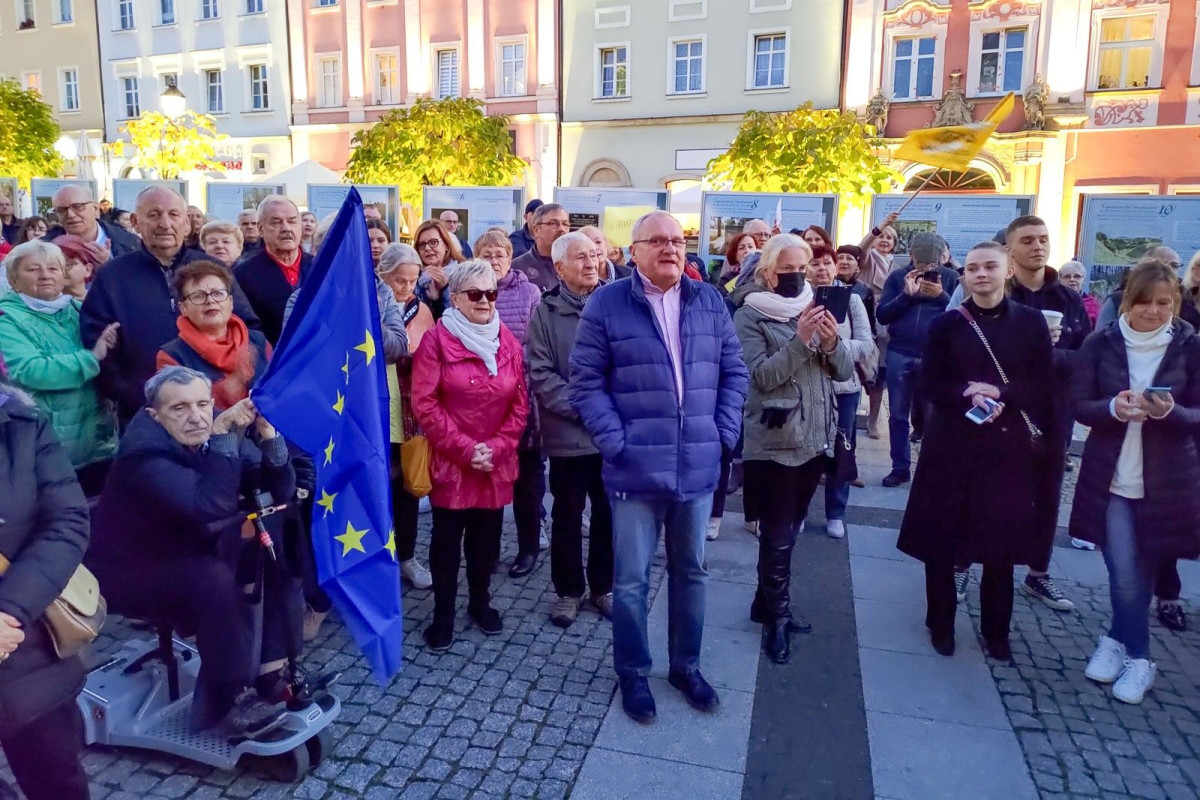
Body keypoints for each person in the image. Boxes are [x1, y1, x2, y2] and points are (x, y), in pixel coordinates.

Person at [571, 211, 749, 723]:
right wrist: (615, 441)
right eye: (658, 240)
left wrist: (722, 433)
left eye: (677, 240)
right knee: (630, 581)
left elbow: (735, 372)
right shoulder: (607, 303)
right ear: (634, 252)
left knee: (692, 572)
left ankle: (685, 667)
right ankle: (632, 672)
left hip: (697, 465)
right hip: (634, 468)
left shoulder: (708, 300)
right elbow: (585, 380)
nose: (671, 248)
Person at [88, 368, 297, 736]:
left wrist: (269, 436)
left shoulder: (211, 429)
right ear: (154, 415)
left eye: (203, 404)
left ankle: (272, 671)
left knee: (269, 548)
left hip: (189, 549)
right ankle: (236, 696)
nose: (197, 416)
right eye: (179, 408)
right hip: (128, 570)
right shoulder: (142, 455)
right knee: (210, 578)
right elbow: (209, 505)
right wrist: (222, 438)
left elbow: (277, 492)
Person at [896, 241, 1055, 661]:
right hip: (952, 444)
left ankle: (996, 631)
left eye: (990, 267)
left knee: (1000, 545)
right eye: (972, 268)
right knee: (941, 541)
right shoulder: (946, 324)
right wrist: (967, 393)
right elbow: (930, 383)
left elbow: (1043, 383)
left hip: (1006, 449)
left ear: (1008, 271)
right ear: (963, 275)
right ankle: (940, 622)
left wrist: (1001, 393)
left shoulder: (1031, 322)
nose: (981, 274)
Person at [1072, 259, 1200, 704]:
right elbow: (1079, 404)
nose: (1153, 311)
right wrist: (1112, 408)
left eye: (1163, 303)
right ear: (1127, 301)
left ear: (1176, 302)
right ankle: (1141, 658)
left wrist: (1172, 413)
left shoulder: (1191, 347)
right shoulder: (1100, 342)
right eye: (1144, 302)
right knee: (1124, 572)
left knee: (1142, 571)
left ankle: (1114, 639)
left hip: (1167, 481)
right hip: (1111, 476)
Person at [733, 234, 851, 662]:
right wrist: (801, 341)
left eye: (803, 268)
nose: (798, 276)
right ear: (768, 272)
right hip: (776, 440)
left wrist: (832, 343)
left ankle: (763, 603)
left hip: (816, 436)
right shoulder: (749, 314)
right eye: (788, 270)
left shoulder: (815, 306)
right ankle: (777, 619)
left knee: (792, 528)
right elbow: (762, 377)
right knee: (778, 533)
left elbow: (843, 372)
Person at [412, 260, 529, 652]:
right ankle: (442, 614)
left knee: (486, 541)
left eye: (491, 293)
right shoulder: (436, 341)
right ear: (456, 298)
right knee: (446, 542)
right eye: (475, 294)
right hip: (452, 460)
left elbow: (520, 405)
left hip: (494, 461)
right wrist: (466, 449)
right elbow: (425, 404)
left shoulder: (507, 342)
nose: (485, 301)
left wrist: (495, 448)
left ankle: (480, 602)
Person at [80, 186, 261, 425]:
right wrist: (127, 392)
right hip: (143, 411)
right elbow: (96, 340)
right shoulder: (113, 276)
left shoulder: (212, 269)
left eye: (174, 215)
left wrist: (232, 383)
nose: (165, 224)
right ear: (135, 222)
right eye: (154, 215)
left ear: (186, 223)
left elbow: (247, 328)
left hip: (215, 409)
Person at [0, 378, 92, 800]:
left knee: (58, 781)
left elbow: (67, 521)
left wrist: (9, 609)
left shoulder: (21, 422)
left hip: (26, 645)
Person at [528, 232, 614, 627]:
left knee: (608, 513)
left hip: (610, 433)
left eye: (594, 255)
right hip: (568, 434)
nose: (591, 262)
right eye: (580, 257)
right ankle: (568, 591)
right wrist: (585, 407)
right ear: (559, 268)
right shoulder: (545, 313)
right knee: (567, 514)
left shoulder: (617, 304)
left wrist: (608, 410)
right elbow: (541, 373)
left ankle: (603, 587)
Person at [0, 240, 118, 494]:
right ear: (13, 279)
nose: (45, 275)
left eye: (53, 268)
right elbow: (30, 370)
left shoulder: (77, 310)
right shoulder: (7, 319)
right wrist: (91, 358)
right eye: (33, 269)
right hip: (48, 446)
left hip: (95, 440)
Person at [475, 228, 546, 577]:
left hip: (522, 397)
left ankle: (528, 548)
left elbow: (537, 344)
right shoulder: (468, 291)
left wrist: (508, 368)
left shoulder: (529, 291)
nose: (494, 261)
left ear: (510, 257)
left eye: (500, 254)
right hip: (481, 403)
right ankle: (486, 551)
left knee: (527, 480)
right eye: (486, 255)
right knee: (488, 479)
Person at [875, 232, 959, 486]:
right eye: (921, 263)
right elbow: (882, 315)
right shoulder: (898, 277)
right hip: (900, 352)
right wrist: (905, 296)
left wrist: (942, 296)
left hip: (936, 356)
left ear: (941, 259)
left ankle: (932, 470)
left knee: (934, 417)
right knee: (898, 415)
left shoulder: (951, 278)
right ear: (911, 256)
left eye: (931, 264)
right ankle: (900, 467)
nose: (925, 269)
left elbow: (963, 317)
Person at [804, 243, 875, 537]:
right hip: (807, 385)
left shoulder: (852, 300)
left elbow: (866, 343)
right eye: (815, 263)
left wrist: (833, 346)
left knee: (842, 448)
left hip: (844, 386)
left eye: (827, 263)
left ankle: (835, 512)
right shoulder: (799, 297)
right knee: (805, 450)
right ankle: (799, 510)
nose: (822, 269)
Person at [376, 243, 434, 590]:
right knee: (377, 485)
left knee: (408, 485)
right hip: (375, 410)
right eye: (400, 280)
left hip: (410, 410)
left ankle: (407, 556)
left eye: (413, 280)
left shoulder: (421, 310)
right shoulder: (371, 305)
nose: (407, 287)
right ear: (382, 275)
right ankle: (376, 558)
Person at [155, 261, 270, 410]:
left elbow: (278, 388)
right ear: (183, 308)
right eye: (198, 296)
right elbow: (179, 412)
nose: (210, 300)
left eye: (218, 293)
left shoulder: (258, 341)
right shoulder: (172, 356)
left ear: (231, 302)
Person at [233, 196, 312, 346]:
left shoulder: (322, 268)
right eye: (276, 222)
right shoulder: (242, 275)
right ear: (260, 229)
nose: (286, 228)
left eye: (292, 221)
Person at [1097, 246, 1185, 329]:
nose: (1168, 269)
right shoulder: (1116, 300)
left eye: (1174, 266)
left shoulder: (1186, 301)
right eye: (1143, 302)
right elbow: (1103, 334)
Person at [45, 185, 140, 259]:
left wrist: (109, 268)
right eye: (62, 210)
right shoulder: (45, 247)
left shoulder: (131, 243)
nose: (70, 215)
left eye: (77, 207)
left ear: (95, 208)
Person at [413, 219, 467, 319]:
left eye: (433, 242)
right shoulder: (414, 276)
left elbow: (465, 315)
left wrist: (445, 288)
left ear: (446, 245)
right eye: (421, 244)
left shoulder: (464, 273)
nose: (427, 248)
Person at [512, 203, 569, 292]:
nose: (561, 229)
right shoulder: (518, 268)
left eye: (565, 224)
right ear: (536, 230)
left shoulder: (576, 264)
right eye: (553, 223)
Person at [53, 234, 109, 299]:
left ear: (88, 269)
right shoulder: (46, 304)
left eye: (68, 265)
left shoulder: (103, 300)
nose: (61, 270)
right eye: (54, 266)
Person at [1060, 261, 1100, 328]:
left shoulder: (1093, 304)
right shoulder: (1053, 301)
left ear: (1083, 280)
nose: (1072, 279)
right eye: (1067, 276)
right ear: (1060, 280)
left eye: (1077, 276)